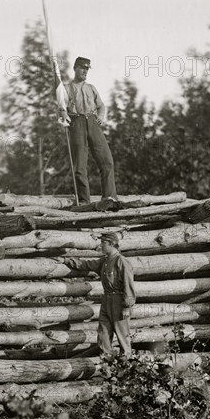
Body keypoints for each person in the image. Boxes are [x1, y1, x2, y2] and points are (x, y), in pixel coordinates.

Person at [64, 232, 135, 357]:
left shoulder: (122, 262)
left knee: (122, 335)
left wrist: (127, 306)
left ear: (111, 244)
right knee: (103, 334)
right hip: (106, 300)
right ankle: (106, 364)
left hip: (119, 301)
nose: (101, 246)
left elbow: (128, 285)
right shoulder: (104, 261)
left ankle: (127, 363)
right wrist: (66, 260)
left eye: (103, 243)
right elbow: (85, 264)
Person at [59, 57, 117, 205]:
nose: (85, 71)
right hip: (76, 123)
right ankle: (84, 201)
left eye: (87, 69)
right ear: (75, 68)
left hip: (92, 122)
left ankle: (109, 198)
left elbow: (102, 106)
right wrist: (64, 115)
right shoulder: (65, 89)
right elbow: (61, 109)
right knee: (80, 166)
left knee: (107, 160)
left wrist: (101, 117)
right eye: (82, 68)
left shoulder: (91, 87)